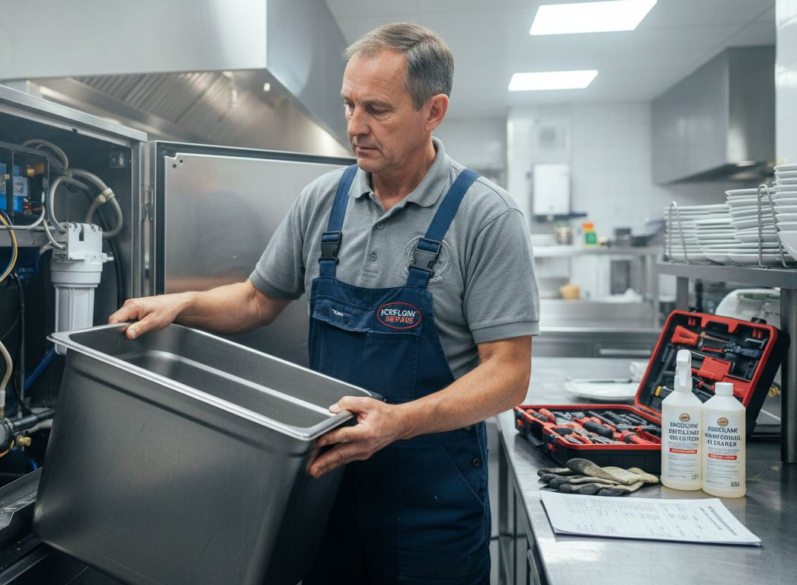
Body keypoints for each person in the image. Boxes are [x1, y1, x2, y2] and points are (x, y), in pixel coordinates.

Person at [108, 22, 539, 585]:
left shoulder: (487, 217)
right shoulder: (322, 201)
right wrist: (182, 303)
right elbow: (257, 299)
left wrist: (398, 423)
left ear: (433, 111)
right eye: (348, 104)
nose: (355, 126)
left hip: (430, 507)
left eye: (377, 109)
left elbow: (508, 373)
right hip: (323, 489)